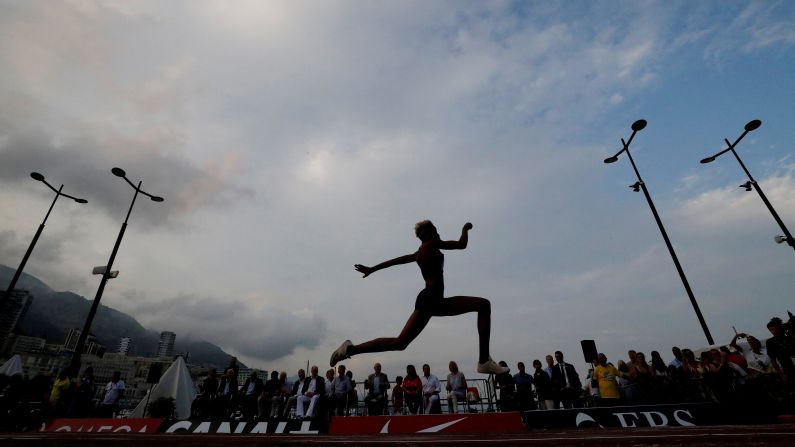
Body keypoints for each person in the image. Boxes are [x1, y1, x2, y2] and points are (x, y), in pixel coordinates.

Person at [330, 221, 509, 375]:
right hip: (431, 300)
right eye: (436, 230)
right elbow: (462, 244)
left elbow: (396, 260)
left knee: (399, 343)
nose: (439, 233)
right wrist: (465, 229)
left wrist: (372, 269)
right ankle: (484, 360)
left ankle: (349, 349)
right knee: (483, 305)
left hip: (436, 301)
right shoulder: (431, 245)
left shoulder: (420, 252)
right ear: (430, 234)